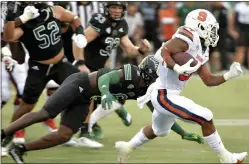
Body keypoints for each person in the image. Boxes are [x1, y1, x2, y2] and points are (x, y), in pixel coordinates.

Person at [1, 55, 202, 164]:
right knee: (46, 113)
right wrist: (105, 92)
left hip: (85, 97)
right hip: (79, 84)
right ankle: (4, 133)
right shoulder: (132, 72)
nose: (157, 78)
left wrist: (183, 133)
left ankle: (20, 149)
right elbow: (105, 78)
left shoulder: (145, 90)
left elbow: (159, 111)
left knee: (64, 135)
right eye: (155, 74)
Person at [115, 9, 247, 163]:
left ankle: (127, 147)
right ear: (198, 26)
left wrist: (228, 75)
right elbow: (165, 50)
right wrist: (176, 68)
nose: (213, 32)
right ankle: (227, 158)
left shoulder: (203, 49)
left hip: (168, 94)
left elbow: (208, 80)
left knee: (160, 130)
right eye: (210, 28)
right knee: (206, 117)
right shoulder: (188, 36)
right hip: (163, 94)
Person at [2, 2, 87, 147]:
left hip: (60, 65)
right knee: (26, 107)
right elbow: (9, 37)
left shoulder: (53, 11)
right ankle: (5, 137)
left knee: (83, 88)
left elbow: (74, 17)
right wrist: (12, 18)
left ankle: (69, 131)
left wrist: (79, 31)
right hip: (39, 68)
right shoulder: (23, 23)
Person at [73, 1, 151, 143]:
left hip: (100, 69)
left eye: (119, 8)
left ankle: (115, 110)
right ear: (107, 9)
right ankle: (84, 133)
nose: (116, 11)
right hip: (86, 66)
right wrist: (80, 62)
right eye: (113, 7)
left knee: (121, 91)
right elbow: (79, 41)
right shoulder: (101, 21)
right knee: (87, 98)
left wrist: (140, 49)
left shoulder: (121, 25)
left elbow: (129, 49)